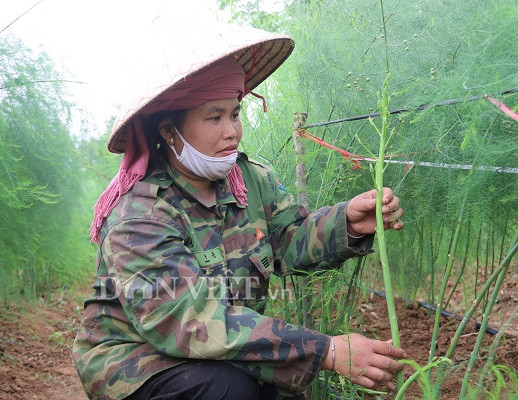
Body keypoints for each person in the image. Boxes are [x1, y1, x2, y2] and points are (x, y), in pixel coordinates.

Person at [72, 22, 406, 400]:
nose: (232, 132)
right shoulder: (140, 215)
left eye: (235, 114)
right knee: (228, 391)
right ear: (169, 131)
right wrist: (326, 351)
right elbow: (185, 319)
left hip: (219, 348)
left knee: (274, 388)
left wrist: (346, 223)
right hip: (138, 361)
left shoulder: (248, 179)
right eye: (214, 117)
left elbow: (288, 238)